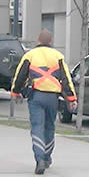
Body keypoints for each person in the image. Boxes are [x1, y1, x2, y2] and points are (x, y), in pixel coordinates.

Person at [10, 29, 77, 175]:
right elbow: (66, 79)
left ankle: (39, 159)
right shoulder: (58, 56)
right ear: (51, 41)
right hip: (52, 97)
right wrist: (71, 98)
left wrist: (15, 92)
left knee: (37, 128)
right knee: (49, 127)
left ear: (37, 40)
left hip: (36, 97)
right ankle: (47, 157)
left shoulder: (30, 55)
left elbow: (20, 75)